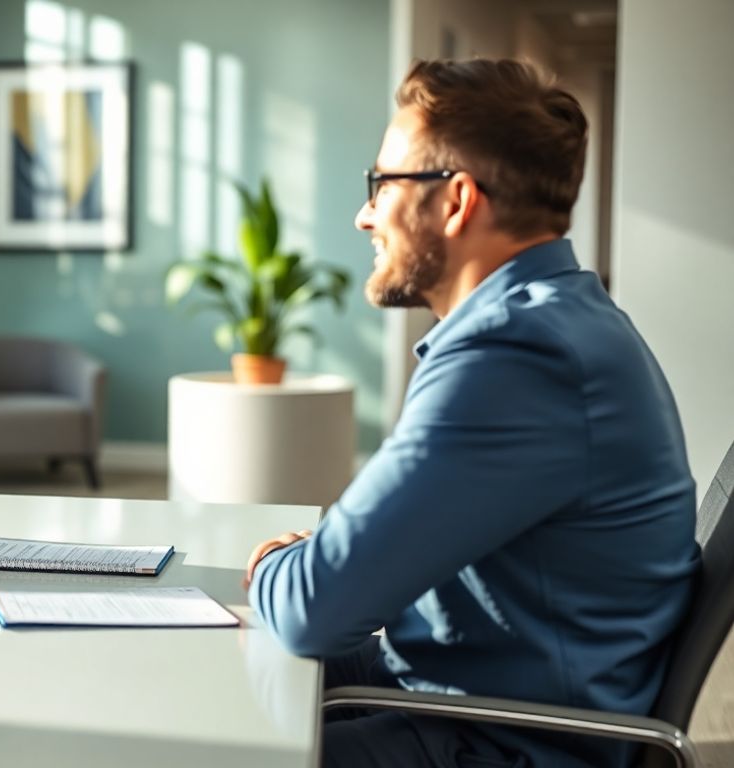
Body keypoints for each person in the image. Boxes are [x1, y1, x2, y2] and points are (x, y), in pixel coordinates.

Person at [244, 59, 700, 767]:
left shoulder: (515, 356)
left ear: (456, 201)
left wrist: (278, 564)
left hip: (497, 737)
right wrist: (327, 565)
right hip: (471, 690)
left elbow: (312, 610)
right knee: (221, 679)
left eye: (382, 185)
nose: (364, 215)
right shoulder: (561, 322)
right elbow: (373, 549)